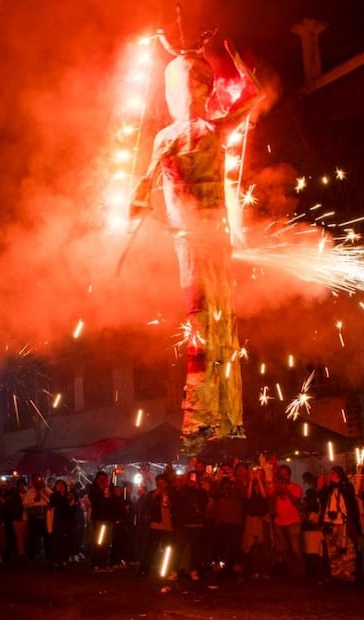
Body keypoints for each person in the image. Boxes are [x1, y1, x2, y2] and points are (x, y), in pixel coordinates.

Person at [130, 34, 263, 455]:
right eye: (186, 87)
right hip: (194, 238)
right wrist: (138, 207)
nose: (189, 94)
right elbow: (140, 190)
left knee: (217, 321)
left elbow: (253, 96)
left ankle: (220, 417)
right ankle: (206, 418)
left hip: (207, 238)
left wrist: (227, 53)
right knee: (207, 320)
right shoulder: (178, 134)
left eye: (195, 85)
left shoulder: (203, 129)